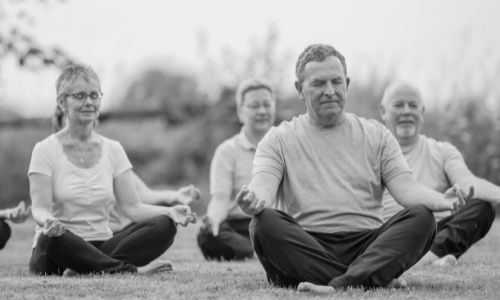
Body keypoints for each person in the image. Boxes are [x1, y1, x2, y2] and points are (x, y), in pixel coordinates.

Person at [235, 44, 471, 293]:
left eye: (336, 81)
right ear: (299, 89)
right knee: (263, 224)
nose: (329, 91)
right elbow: (263, 186)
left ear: (346, 82)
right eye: (318, 83)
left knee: (422, 218)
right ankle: (366, 278)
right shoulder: (278, 139)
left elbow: (406, 189)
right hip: (306, 246)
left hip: (367, 245)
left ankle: (341, 283)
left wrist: (440, 200)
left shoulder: (377, 135)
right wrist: (254, 200)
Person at [28, 63, 196, 276]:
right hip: (59, 247)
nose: (89, 102)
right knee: (50, 238)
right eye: (79, 96)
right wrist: (49, 221)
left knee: (164, 226)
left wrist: (169, 211)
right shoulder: (44, 150)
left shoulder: (113, 149)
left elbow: (133, 207)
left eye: (94, 95)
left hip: (102, 244)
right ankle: (125, 270)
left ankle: (85, 268)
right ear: (62, 102)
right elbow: (39, 208)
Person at [380, 81, 498, 267]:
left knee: (483, 208)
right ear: (383, 111)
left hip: (433, 235)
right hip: (388, 235)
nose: (406, 111)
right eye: (398, 105)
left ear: (423, 112)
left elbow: (467, 182)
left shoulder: (442, 151)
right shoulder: (373, 150)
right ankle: (429, 262)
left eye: (413, 105)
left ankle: (427, 259)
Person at [197, 78, 276, 261]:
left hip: (275, 223)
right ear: (241, 112)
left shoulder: (287, 144)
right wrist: (213, 219)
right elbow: (220, 199)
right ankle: (257, 253)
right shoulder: (226, 151)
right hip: (239, 227)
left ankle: (265, 249)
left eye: (266, 104)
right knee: (207, 236)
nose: (262, 111)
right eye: (255, 106)